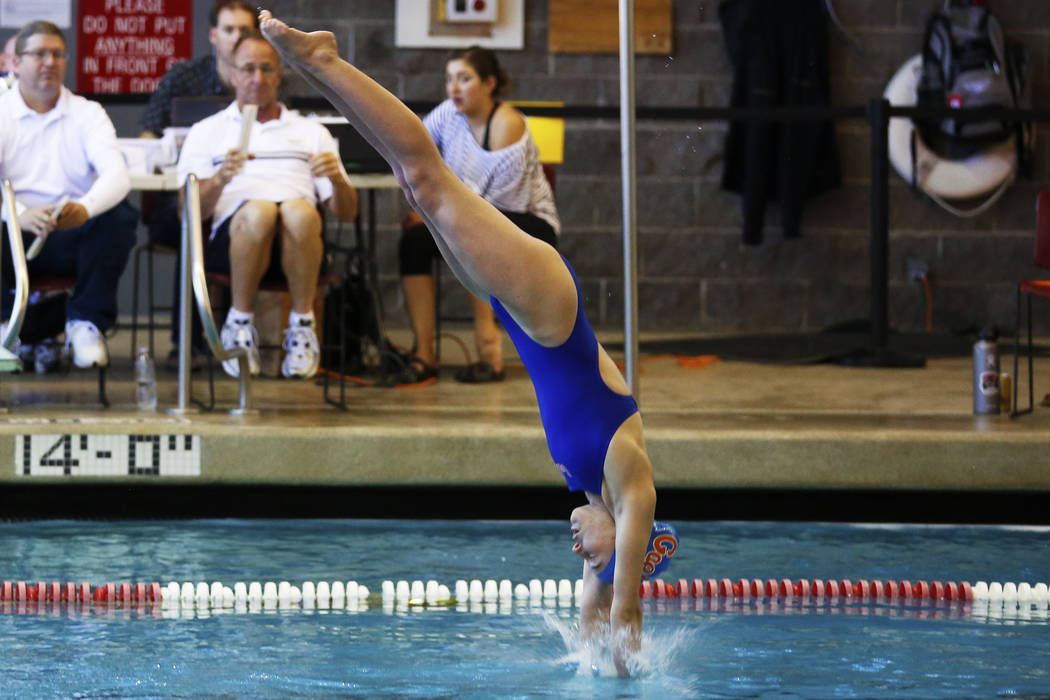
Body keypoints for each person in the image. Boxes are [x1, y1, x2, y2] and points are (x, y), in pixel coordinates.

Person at [257, 11, 675, 674]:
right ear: (624, 544)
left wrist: (607, 656)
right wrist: (626, 597)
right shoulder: (626, 476)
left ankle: (320, 69)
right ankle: (324, 60)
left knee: (413, 184)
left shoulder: (594, 495)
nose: (577, 549)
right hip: (549, 308)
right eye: (595, 555)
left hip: (524, 320)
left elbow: (596, 625)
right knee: (426, 175)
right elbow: (628, 581)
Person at [177, 31, 358, 379]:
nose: (257, 78)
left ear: (279, 74)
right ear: (232, 74)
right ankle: (239, 320)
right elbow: (188, 213)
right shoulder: (206, 132)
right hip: (233, 242)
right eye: (247, 69)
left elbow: (347, 213)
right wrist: (219, 180)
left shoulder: (311, 132)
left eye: (266, 68)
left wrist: (336, 178)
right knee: (260, 211)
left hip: (300, 243)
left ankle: (303, 325)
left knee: (297, 210)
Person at [398, 47, 559, 384]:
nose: (453, 88)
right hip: (464, 216)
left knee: (472, 238)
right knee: (413, 244)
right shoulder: (447, 114)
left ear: (489, 83)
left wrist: (435, 215)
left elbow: (497, 209)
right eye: (449, 79)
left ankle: (489, 349)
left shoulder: (508, 124)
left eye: (464, 79)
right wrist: (426, 213)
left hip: (526, 221)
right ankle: (423, 352)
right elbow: (414, 153)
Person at [0, 20, 137, 369]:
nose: (49, 62)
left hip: (70, 237)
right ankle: (4, 327)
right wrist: (16, 214)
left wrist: (84, 208)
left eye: (57, 54)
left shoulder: (87, 113)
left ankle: (85, 324)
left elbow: (117, 175)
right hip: (10, 239)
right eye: (39, 54)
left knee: (119, 215)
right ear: (15, 63)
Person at [138, 0, 258, 370]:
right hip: (182, 198)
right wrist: (170, 149)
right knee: (193, 224)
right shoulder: (182, 77)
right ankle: (187, 344)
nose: (237, 37)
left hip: (239, 199)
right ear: (212, 35)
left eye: (245, 30)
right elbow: (146, 134)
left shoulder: (260, 79)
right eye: (229, 29)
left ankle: (236, 335)